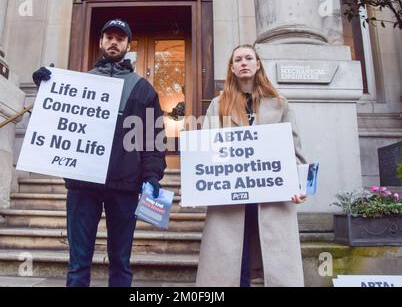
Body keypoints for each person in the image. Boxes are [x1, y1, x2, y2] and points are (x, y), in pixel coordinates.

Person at [32, 18, 166, 287]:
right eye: (109, 37)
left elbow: (153, 137)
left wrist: (152, 174)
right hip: (83, 183)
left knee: (120, 261)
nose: (114, 42)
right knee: (79, 262)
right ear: (102, 42)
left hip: (126, 186)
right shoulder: (79, 82)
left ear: (128, 45)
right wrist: (45, 88)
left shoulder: (143, 89)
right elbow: (56, 120)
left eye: (120, 38)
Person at [196, 44, 307, 287]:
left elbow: (295, 150)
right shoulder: (218, 104)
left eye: (249, 58)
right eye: (238, 59)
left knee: (275, 264)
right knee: (233, 264)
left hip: (272, 196)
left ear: (257, 65)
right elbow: (205, 151)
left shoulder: (280, 103)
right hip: (231, 196)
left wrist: (300, 184)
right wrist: (200, 184)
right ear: (232, 68)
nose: (244, 62)